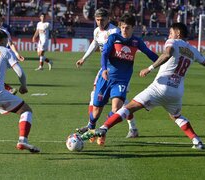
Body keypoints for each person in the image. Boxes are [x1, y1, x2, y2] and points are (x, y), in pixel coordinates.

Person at [91, 22, 205, 150]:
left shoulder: (173, 42)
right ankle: (197, 141)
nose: (169, 35)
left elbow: (167, 53)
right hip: (177, 91)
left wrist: (150, 68)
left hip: (160, 87)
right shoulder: (194, 50)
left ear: (177, 33)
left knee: (129, 107)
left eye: (171, 32)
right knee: (176, 116)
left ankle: (103, 128)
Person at [79, 13, 158, 146]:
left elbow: (150, 54)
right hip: (106, 78)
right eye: (122, 27)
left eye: (127, 28)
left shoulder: (136, 41)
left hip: (121, 81)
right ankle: (91, 127)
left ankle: (101, 130)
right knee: (96, 110)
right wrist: (104, 69)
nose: (124, 30)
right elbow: (104, 54)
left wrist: (164, 62)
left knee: (116, 109)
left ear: (133, 28)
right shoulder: (113, 38)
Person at [76, 8, 139, 140]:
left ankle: (101, 127)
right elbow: (95, 43)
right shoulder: (97, 31)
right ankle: (92, 126)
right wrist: (84, 58)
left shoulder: (115, 31)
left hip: (117, 71)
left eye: (102, 20)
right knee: (97, 95)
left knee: (119, 104)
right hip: (105, 69)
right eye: (97, 20)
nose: (99, 22)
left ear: (108, 19)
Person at [0, 29, 40, 153]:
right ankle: (22, 140)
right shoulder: (6, 51)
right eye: (6, 40)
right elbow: (20, 73)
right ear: (1, 40)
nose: (8, 42)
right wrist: (23, 86)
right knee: (26, 110)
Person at [0, 13, 24, 94]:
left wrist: (16, 54)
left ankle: (8, 90)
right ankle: (9, 90)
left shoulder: (4, 32)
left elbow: (11, 44)